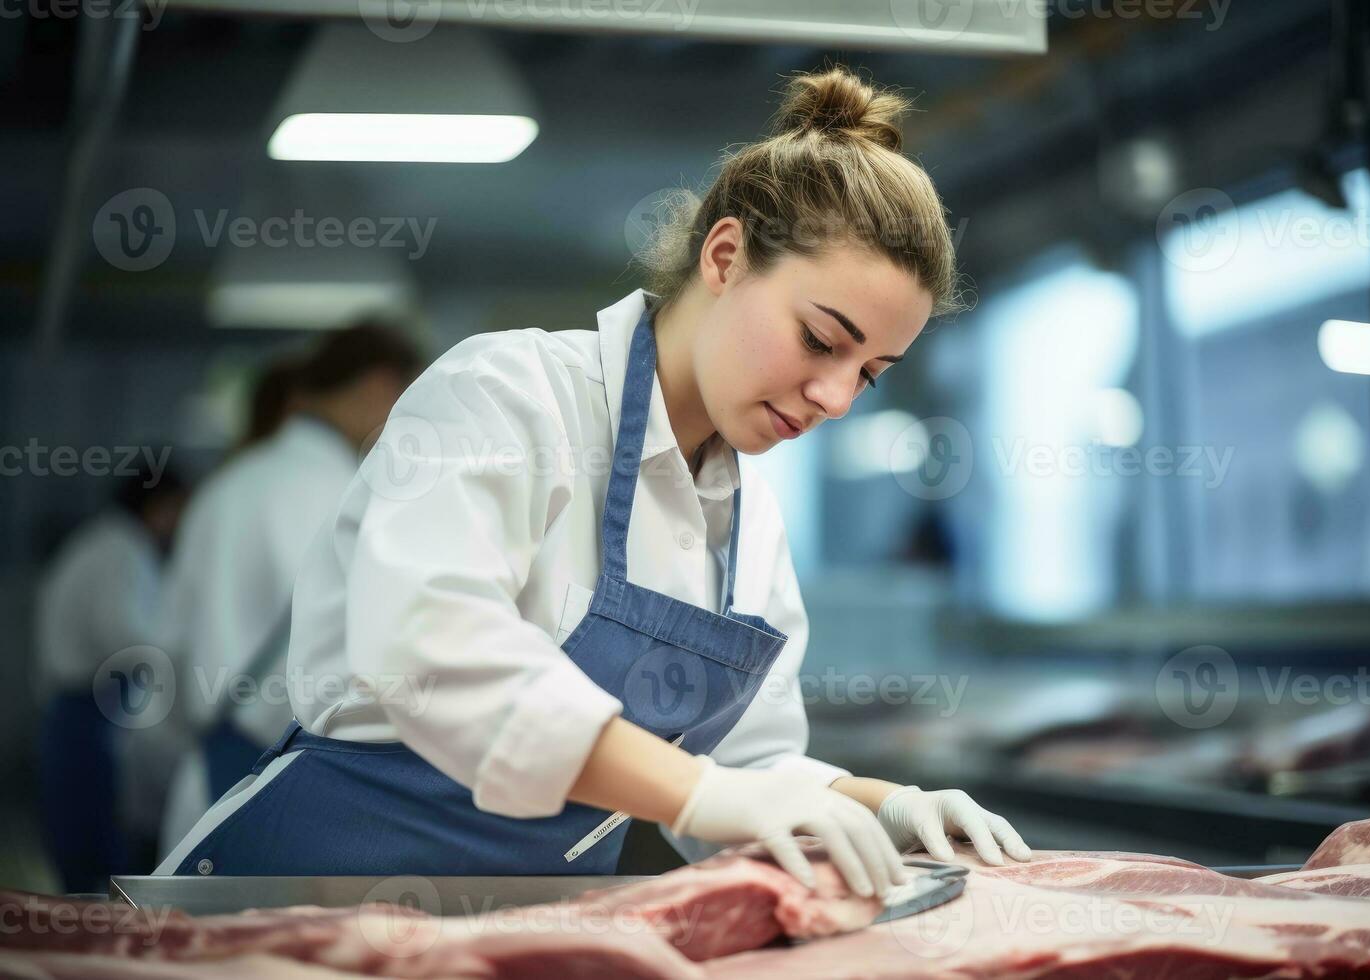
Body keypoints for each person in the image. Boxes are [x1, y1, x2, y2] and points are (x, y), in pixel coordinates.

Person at [157, 66, 1030, 898]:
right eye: (819, 339)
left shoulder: (746, 520)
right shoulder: (508, 396)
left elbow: (748, 769)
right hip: (300, 900)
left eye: (872, 373)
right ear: (725, 257)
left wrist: (888, 806)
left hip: (516, 935)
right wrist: (694, 794)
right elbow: (430, 651)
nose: (837, 397)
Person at [156, 323, 422, 854]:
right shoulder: (355, 494)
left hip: (207, 780)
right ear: (380, 386)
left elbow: (166, 643)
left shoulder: (225, 485)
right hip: (300, 790)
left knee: (198, 937)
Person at [34, 468, 186, 892]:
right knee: (93, 847)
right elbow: (126, 634)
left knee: (83, 838)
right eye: (176, 509)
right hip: (91, 707)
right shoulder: (122, 550)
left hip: (82, 706)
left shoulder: (100, 543)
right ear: (156, 507)